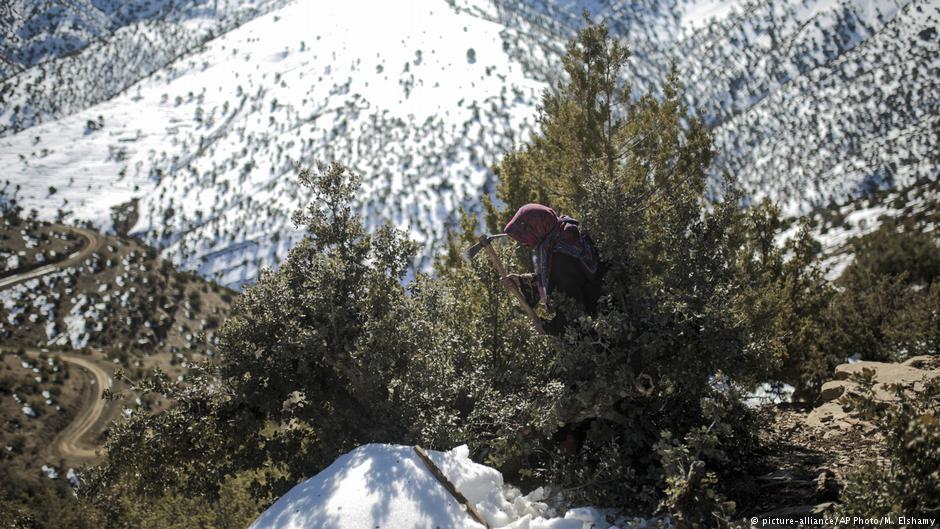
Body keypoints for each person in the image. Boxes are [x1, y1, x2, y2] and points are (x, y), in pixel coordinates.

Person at [501, 203, 602, 333]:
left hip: (602, 334)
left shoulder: (560, 255)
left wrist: (548, 328)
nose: (522, 243)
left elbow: (573, 309)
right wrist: (522, 281)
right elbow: (561, 279)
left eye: (524, 235)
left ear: (537, 227)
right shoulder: (565, 232)